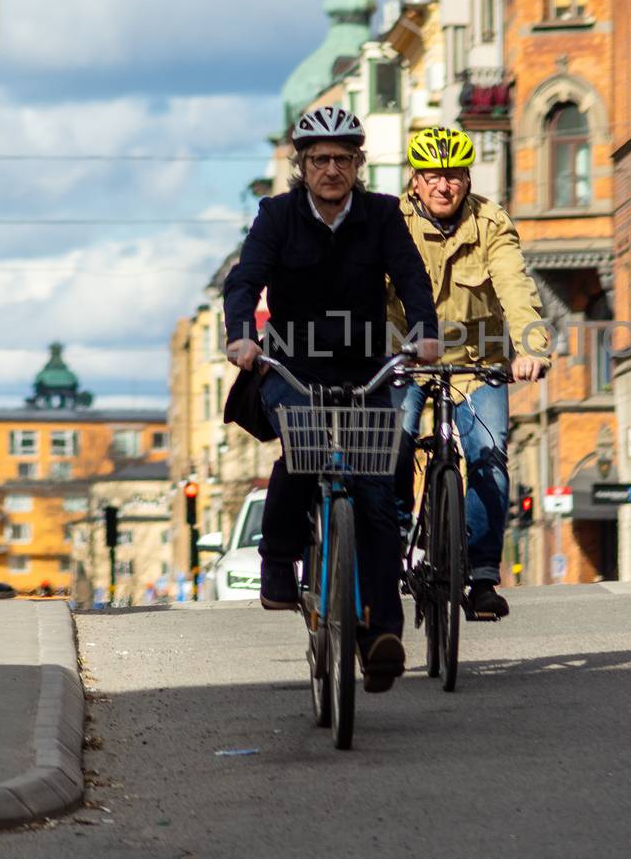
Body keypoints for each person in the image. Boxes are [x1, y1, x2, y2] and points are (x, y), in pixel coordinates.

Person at [222, 105, 441, 693]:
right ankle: (278, 558)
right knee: (304, 448)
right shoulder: (277, 215)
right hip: (290, 363)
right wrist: (241, 333)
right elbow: (245, 279)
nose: (331, 169)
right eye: (319, 159)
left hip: (364, 366)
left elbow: (412, 277)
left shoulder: (382, 215)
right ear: (301, 165)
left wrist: (423, 330)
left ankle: (381, 636)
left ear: (358, 164)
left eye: (343, 159)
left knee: (374, 488)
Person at [389, 127, 549, 621]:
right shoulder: (390, 222)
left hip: (476, 362)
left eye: (454, 175)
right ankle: (391, 540)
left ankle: (481, 576)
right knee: (390, 439)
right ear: (415, 181)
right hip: (404, 358)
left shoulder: (490, 221)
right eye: (433, 175)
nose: (444, 185)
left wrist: (530, 347)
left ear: (467, 179)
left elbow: (514, 286)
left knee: (488, 454)